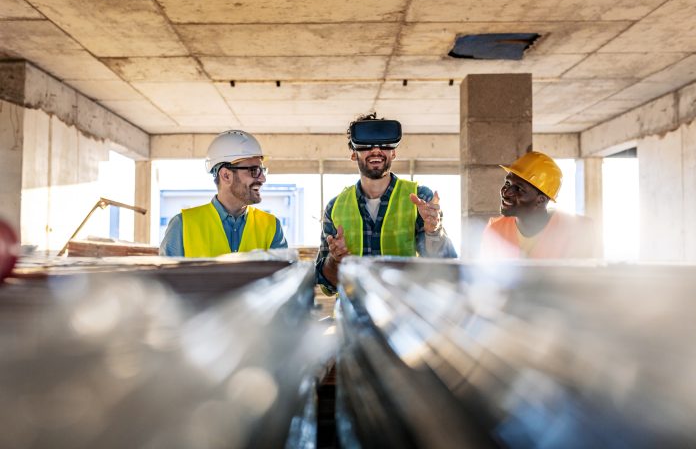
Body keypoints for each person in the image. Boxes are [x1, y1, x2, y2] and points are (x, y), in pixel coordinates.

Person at [316, 113, 457, 292]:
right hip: (354, 312)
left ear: (394, 152)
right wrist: (335, 259)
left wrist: (433, 231)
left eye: (384, 144)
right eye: (366, 145)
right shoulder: (335, 207)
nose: (376, 150)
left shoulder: (420, 198)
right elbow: (328, 286)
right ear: (353, 153)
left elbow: (442, 267)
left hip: (403, 312)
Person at [160, 130, 287, 257]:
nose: (262, 179)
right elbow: (164, 276)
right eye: (254, 170)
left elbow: (284, 275)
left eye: (262, 170)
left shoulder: (271, 226)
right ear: (226, 175)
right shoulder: (182, 225)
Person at [479, 151, 597, 259]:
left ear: (540, 200)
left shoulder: (578, 231)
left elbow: (583, 280)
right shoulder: (495, 230)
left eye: (519, 189)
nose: (506, 192)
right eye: (507, 183)